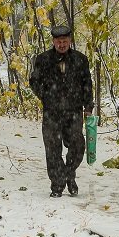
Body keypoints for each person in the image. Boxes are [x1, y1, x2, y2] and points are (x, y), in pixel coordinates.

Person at [28, 24, 93, 197]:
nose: (62, 44)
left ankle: (68, 174)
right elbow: (34, 81)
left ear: (70, 40)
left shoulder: (80, 59)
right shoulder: (43, 59)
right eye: (58, 41)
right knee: (52, 149)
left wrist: (88, 106)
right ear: (53, 42)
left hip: (74, 111)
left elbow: (87, 83)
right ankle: (57, 185)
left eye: (64, 41)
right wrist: (45, 96)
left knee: (78, 146)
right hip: (52, 112)